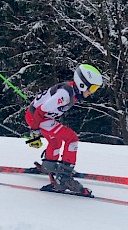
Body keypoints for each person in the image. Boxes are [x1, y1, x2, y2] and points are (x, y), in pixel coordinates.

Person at [25, 64, 103, 194]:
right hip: (38, 118)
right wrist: (34, 132)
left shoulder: (72, 91)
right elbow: (40, 110)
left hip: (40, 117)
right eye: (92, 88)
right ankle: (64, 178)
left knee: (56, 142)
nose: (91, 93)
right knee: (71, 138)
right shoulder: (65, 95)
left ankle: (49, 166)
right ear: (82, 84)